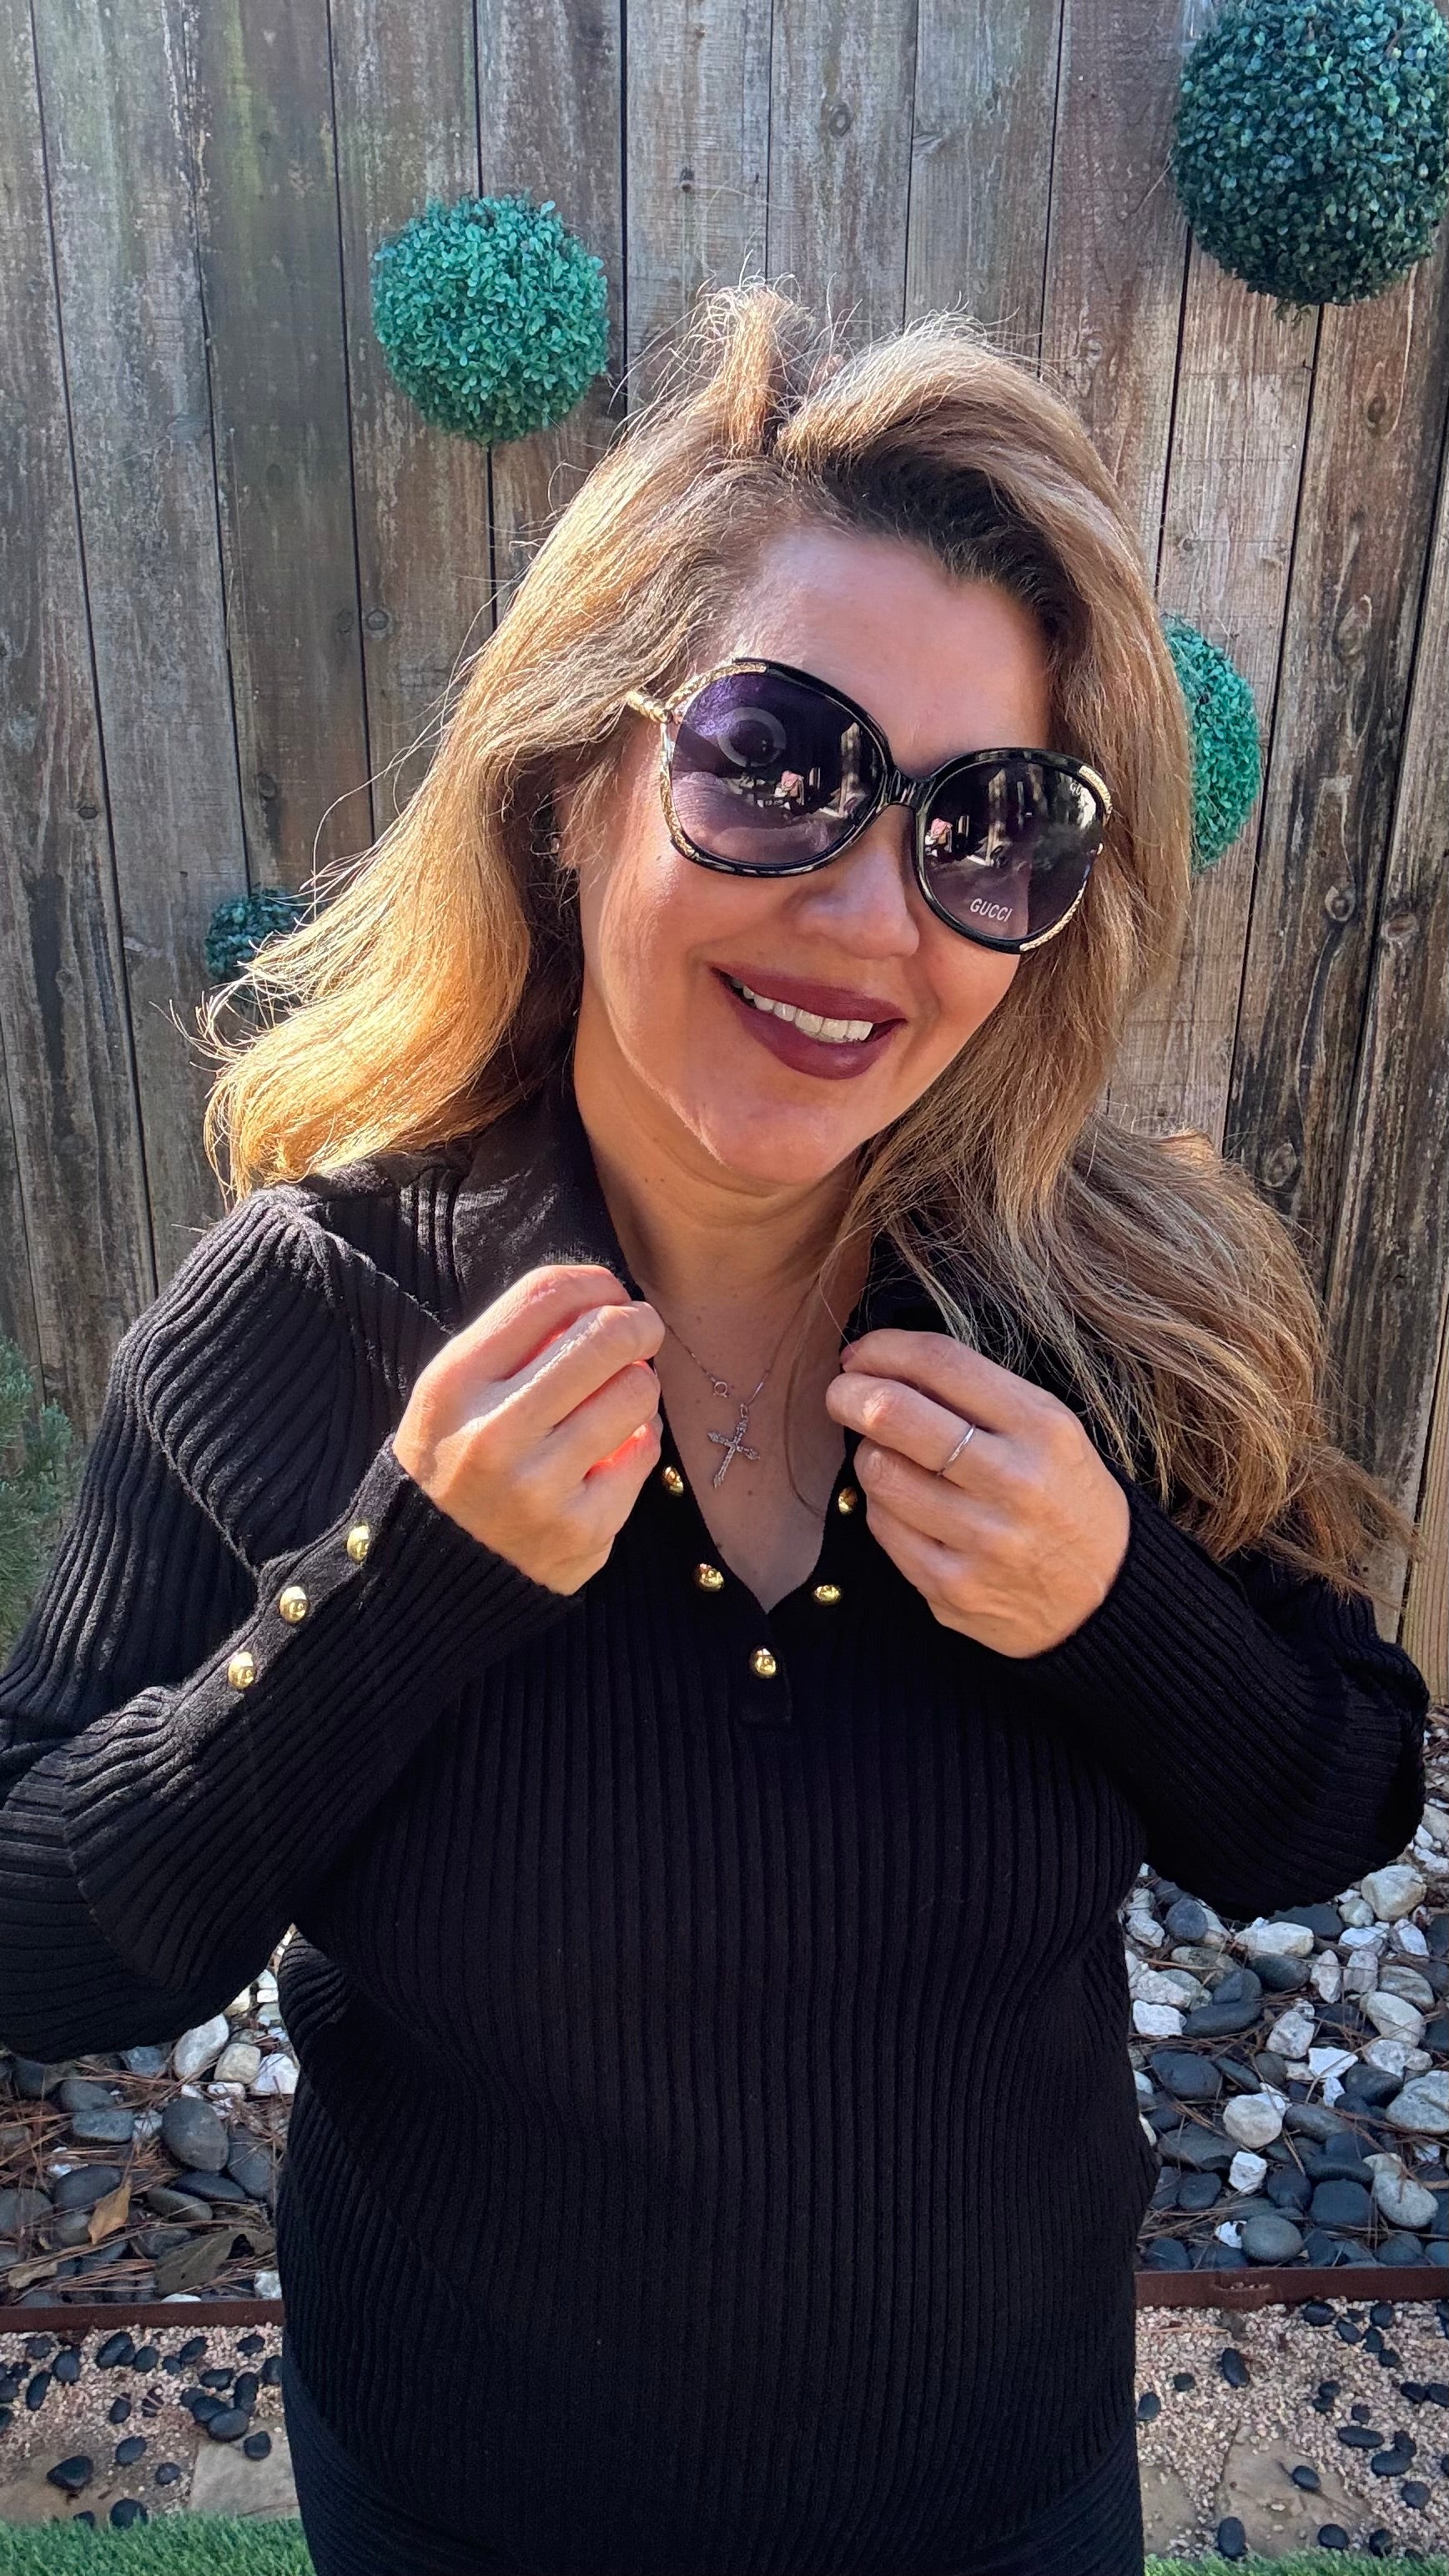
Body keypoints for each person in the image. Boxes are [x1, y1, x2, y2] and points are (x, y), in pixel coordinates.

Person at [0, 284, 1430, 2576]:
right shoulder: (302, 1316)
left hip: (1004, 2509)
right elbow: (47, 1946)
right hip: (468, 2511)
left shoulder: (1107, 1327)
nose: (870, 911)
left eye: (992, 825)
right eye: (777, 761)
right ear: (576, 785)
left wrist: (1118, 1609)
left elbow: (1337, 1801)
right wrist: (388, 1598)